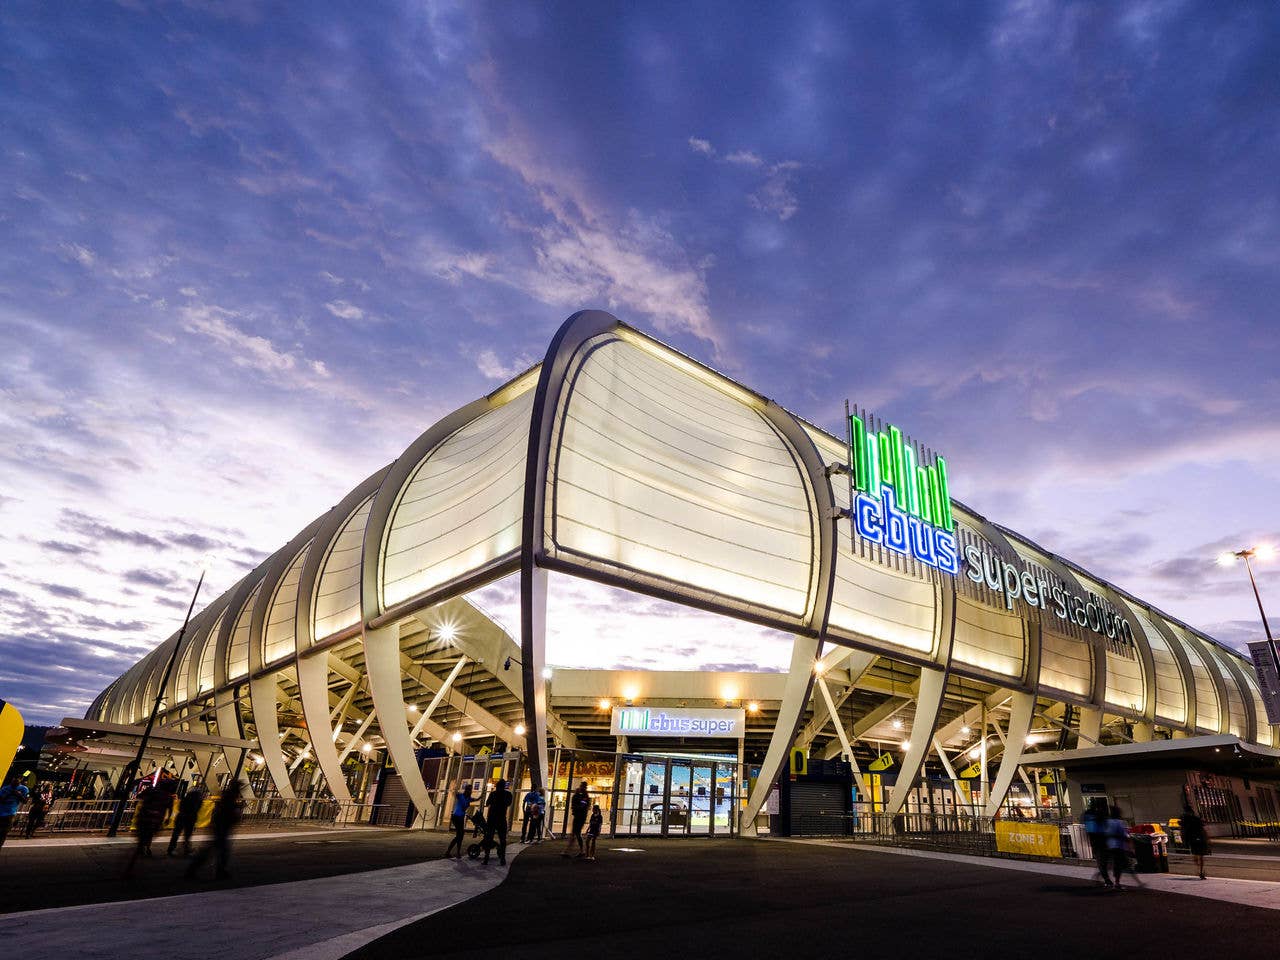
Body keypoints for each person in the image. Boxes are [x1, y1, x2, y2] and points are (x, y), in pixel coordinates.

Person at [186, 780, 243, 881]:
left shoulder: (227, 796)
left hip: (220, 827)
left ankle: (195, 869)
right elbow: (227, 812)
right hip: (222, 827)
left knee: (214, 850)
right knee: (218, 850)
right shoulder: (230, 797)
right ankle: (216, 871)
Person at [125, 780, 173, 877]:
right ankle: (146, 848)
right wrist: (167, 818)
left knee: (141, 840)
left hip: (144, 818)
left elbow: (139, 796)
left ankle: (136, 857)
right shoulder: (168, 797)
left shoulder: (151, 790)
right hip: (155, 821)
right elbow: (170, 809)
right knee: (149, 835)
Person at [483, 778, 513, 866]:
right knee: (502, 839)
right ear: (504, 786)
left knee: (489, 838)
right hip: (501, 818)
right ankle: (502, 858)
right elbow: (508, 803)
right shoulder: (508, 794)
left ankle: (486, 858)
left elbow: (487, 803)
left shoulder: (493, 794)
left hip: (492, 818)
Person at [168, 783, 205, 856]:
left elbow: (180, 807)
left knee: (176, 833)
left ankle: (171, 849)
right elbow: (196, 810)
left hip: (181, 817)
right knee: (187, 835)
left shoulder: (185, 799)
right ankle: (186, 849)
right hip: (190, 818)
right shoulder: (198, 801)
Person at [1104, 805, 1134, 891]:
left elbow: (1105, 833)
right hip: (1118, 846)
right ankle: (1117, 883)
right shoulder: (1119, 822)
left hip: (1109, 845)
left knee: (1115, 863)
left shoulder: (1108, 822)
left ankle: (1111, 879)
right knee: (1119, 864)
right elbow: (1124, 835)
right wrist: (1130, 845)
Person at [1081, 798, 1109, 886]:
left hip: (1094, 839)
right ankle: (1105, 878)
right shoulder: (1099, 814)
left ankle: (1103, 876)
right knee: (1103, 859)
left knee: (1101, 859)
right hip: (1101, 838)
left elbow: (1086, 826)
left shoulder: (1087, 814)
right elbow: (1105, 825)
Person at [1181, 802, 1209, 880]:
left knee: (1195, 854)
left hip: (1193, 838)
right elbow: (1203, 827)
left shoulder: (1184, 818)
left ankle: (1199, 870)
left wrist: (1184, 839)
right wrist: (1207, 838)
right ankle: (1201, 870)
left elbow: (1184, 829)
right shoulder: (1195, 818)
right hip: (1200, 837)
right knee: (1201, 855)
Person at [444, 782, 472, 860]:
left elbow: (475, 799)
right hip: (457, 817)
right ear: (466, 790)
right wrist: (453, 788)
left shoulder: (468, 798)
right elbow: (454, 793)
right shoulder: (461, 796)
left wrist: (481, 796)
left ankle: (452, 852)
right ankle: (454, 852)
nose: (470, 791)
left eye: (470, 790)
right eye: (469, 789)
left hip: (461, 817)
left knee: (460, 836)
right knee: (460, 835)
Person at [0, 775, 29, 849]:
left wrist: (18, 794)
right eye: (14, 779)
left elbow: (25, 801)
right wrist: (9, 794)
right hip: (1, 812)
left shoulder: (24, 789)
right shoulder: (5, 788)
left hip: (10, 814)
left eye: (18, 779)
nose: (16, 781)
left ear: (21, 780)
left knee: (4, 833)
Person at [562, 781, 590, 859]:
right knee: (575, 833)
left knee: (576, 833)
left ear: (584, 787)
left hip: (580, 817)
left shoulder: (584, 796)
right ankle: (575, 850)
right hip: (579, 816)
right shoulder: (582, 795)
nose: (580, 787)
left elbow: (582, 806)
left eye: (582, 786)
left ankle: (571, 851)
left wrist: (576, 804)